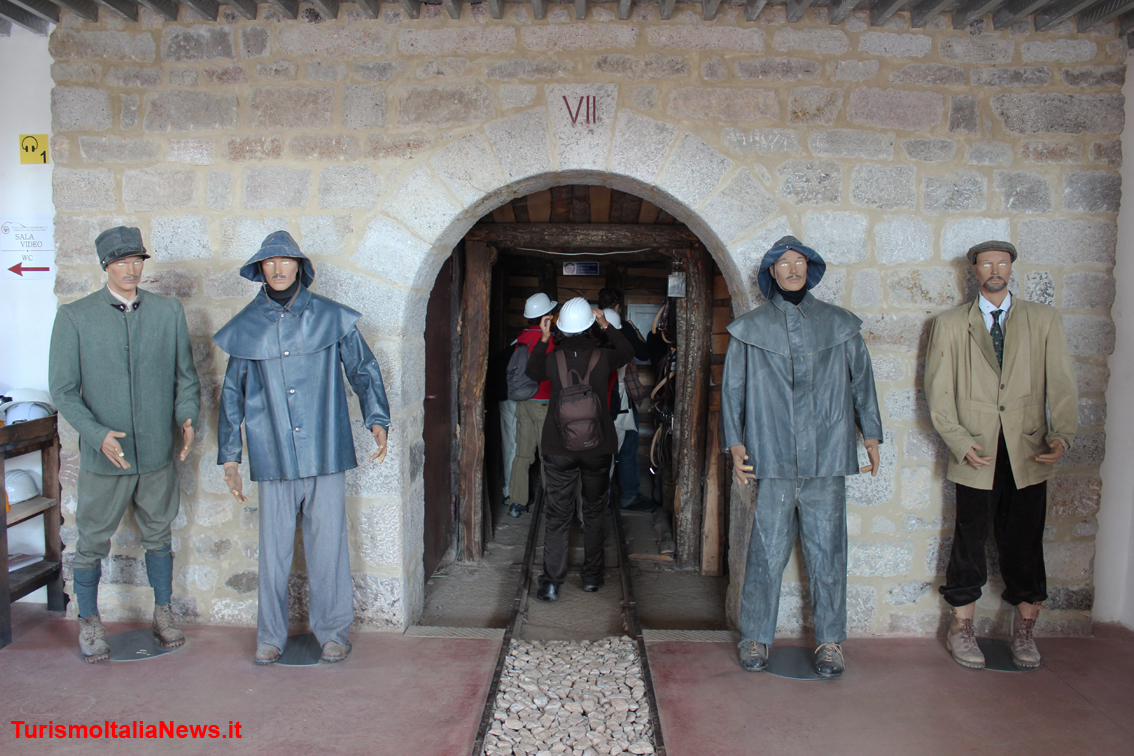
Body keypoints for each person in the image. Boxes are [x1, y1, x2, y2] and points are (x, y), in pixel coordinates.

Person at [213, 231, 390, 665]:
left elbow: (363, 370)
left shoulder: (331, 317)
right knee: (272, 552)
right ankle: (270, 637)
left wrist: (378, 419)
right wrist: (231, 456)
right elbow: (231, 395)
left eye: (284, 261)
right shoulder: (245, 328)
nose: (276, 269)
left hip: (325, 448)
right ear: (259, 269)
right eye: (269, 262)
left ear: (298, 266)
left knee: (328, 545)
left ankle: (333, 631)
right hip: (271, 452)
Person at [721, 235, 882, 678]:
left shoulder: (840, 324)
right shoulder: (749, 329)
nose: (793, 269)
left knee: (829, 551)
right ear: (771, 272)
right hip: (769, 456)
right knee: (766, 552)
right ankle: (755, 635)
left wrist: (871, 435)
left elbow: (862, 381)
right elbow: (732, 390)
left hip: (827, 456)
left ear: (810, 270)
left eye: (800, 263)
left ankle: (830, 642)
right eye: (784, 263)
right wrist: (736, 446)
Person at [49, 226, 200, 663]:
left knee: (159, 534)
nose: (131, 269)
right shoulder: (74, 317)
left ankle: (163, 612)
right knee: (92, 541)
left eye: (137, 260)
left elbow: (185, 379)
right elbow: (63, 390)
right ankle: (89, 620)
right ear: (105, 266)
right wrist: (95, 435)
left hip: (155, 452)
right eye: (121, 262)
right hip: (105, 457)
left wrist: (186, 417)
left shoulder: (168, 313)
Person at [925, 240, 1077, 670]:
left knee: (1026, 541)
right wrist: (958, 440)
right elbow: (938, 393)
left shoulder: (1043, 320)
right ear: (973, 270)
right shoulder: (951, 323)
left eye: (1002, 263)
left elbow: (1062, 384)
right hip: (977, 450)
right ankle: (962, 627)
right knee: (969, 540)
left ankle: (1026, 631)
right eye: (986, 263)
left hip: (1030, 450)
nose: (994, 269)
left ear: (1011, 269)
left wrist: (1061, 435)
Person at [526, 298, 634, 602]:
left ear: (559, 327)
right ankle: (592, 578)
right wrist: (607, 325)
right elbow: (628, 351)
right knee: (594, 511)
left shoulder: (551, 358)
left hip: (558, 446)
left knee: (557, 514)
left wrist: (544, 339)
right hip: (599, 447)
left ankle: (550, 583)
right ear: (590, 324)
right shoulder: (604, 356)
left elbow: (532, 373)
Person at [598, 289, 652, 511]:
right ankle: (628, 496)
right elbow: (643, 354)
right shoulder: (623, 345)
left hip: (597, 407)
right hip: (621, 406)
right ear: (618, 307)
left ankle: (600, 499)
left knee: (601, 456)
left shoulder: (591, 338)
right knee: (627, 451)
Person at [507, 293, 557, 518]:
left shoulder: (522, 337)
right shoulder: (549, 340)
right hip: (544, 402)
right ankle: (552, 504)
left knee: (523, 455)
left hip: (523, 401)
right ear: (546, 316)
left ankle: (517, 503)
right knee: (548, 455)